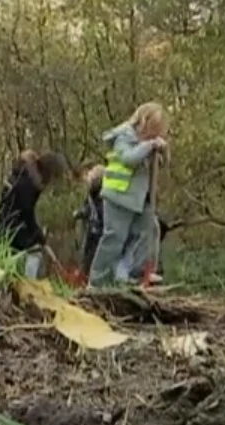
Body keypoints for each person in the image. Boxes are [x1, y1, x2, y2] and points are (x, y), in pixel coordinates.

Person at [91, 102, 168, 287]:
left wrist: (163, 150)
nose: (154, 134)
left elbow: (162, 165)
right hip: (118, 197)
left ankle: (141, 272)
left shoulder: (148, 144)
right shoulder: (124, 136)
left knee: (151, 229)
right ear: (143, 121)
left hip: (139, 200)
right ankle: (97, 281)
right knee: (114, 238)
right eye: (153, 129)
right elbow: (129, 159)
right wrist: (149, 145)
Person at [0, 150, 67, 276]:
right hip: (10, 225)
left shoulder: (27, 177)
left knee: (31, 252)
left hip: (12, 223)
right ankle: (29, 284)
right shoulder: (27, 184)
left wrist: (42, 240)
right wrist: (40, 240)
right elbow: (27, 214)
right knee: (34, 253)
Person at [72, 164, 106, 273]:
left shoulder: (104, 196)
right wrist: (80, 213)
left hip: (101, 232)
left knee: (93, 258)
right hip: (92, 231)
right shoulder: (91, 194)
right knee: (86, 257)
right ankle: (84, 276)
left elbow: (102, 213)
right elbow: (88, 208)